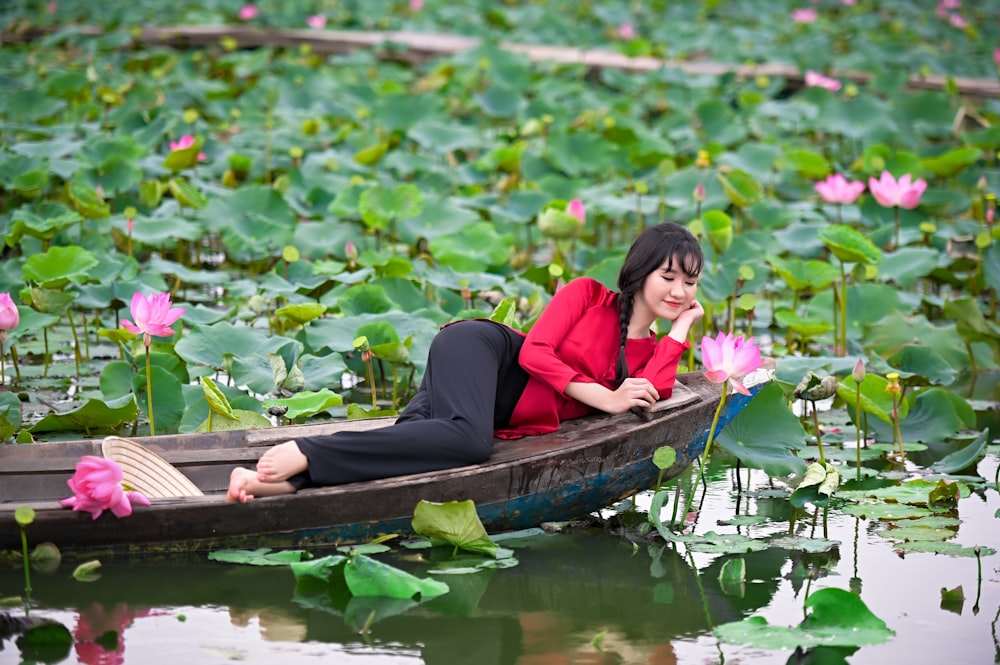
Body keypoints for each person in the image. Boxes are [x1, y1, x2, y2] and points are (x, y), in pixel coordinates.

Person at [227, 221, 705, 501]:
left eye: (690, 282)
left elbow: (656, 392)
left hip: (480, 406)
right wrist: (604, 396)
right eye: (668, 277)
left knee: (413, 451)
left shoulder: (643, 351)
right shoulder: (587, 295)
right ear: (641, 274)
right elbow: (536, 352)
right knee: (468, 443)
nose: (679, 291)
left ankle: (280, 485)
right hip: (481, 355)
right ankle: (308, 449)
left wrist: (680, 330)